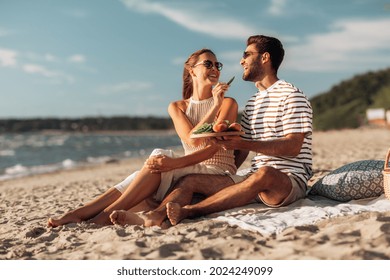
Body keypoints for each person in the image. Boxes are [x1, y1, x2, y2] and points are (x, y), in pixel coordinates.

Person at [47, 48, 240, 227]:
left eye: (217, 65)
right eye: (208, 64)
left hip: (218, 170)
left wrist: (216, 105)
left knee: (156, 160)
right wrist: (174, 164)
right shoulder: (177, 107)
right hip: (189, 165)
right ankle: (81, 212)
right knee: (146, 169)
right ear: (192, 71)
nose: (214, 68)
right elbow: (191, 139)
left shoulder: (227, 104)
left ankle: (96, 214)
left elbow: (209, 147)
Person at [141, 34, 313, 226]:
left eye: (247, 55)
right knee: (190, 180)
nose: (241, 61)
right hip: (251, 178)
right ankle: (156, 215)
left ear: (265, 58)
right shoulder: (253, 103)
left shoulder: (291, 95)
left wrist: (241, 143)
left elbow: (293, 146)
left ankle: (189, 212)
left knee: (265, 173)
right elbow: (242, 151)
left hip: (289, 180)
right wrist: (229, 175)